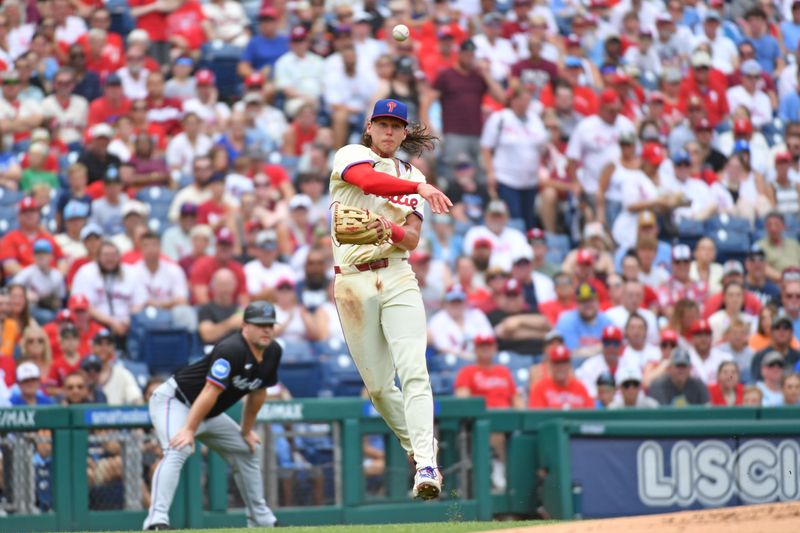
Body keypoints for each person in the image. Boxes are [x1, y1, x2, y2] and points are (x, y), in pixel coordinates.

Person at [328, 99, 451, 500]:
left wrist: (388, 229)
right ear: (369, 127)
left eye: (396, 126)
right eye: (382, 123)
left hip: (397, 275)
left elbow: (412, 239)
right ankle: (420, 450)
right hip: (353, 282)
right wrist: (419, 187)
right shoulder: (352, 155)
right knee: (380, 389)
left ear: (403, 133)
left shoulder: (412, 173)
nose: (388, 132)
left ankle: (426, 464)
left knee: (414, 369)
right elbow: (370, 183)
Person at [142, 301, 281, 530]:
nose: (266, 329)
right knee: (178, 448)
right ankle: (156, 521)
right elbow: (210, 391)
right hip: (175, 401)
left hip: (208, 411)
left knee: (247, 450)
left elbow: (258, 393)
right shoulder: (232, 349)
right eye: (260, 324)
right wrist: (188, 429)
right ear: (245, 326)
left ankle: (261, 520)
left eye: (270, 324)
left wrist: (245, 431)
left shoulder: (273, 351)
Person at [528, 344, 594, 409]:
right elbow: (537, 417)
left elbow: (589, 414)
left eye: (564, 362)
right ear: (550, 365)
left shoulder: (580, 388)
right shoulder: (540, 388)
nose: (561, 367)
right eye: (557, 363)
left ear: (569, 364)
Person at [575, 325, 626, 399]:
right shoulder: (590, 365)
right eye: (607, 342)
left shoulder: (629, 364)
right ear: (602, 344)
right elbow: (588, 394)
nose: (611, 347)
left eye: (615, 343)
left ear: (621, 345)